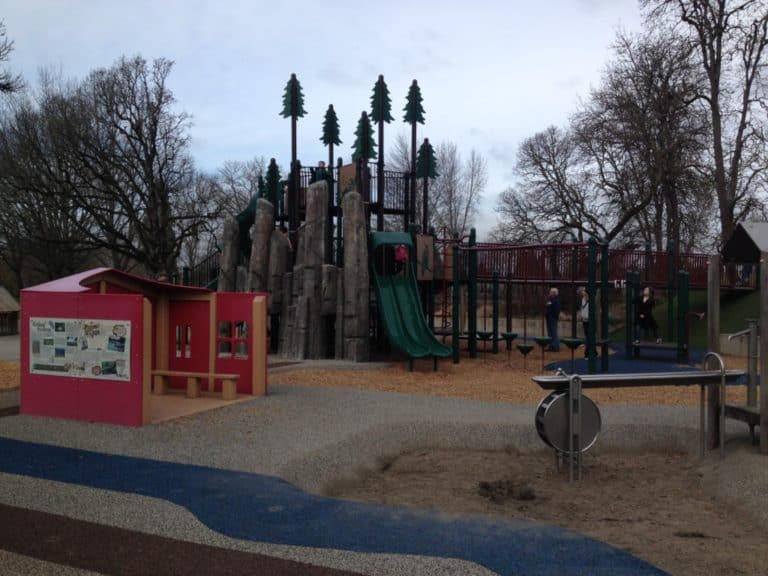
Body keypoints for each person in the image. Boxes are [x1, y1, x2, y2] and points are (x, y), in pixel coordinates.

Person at [545, 287, 561, 352]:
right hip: (548, 317)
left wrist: (555, 316)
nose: (550, 293)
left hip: (553, 318)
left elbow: (557, 310)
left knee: (554, 332)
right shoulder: (550, 300)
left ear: (554, 293)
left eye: (551, 292)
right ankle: (551, 346)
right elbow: (547, 307)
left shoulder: (556, 300)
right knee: (550, 332)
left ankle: (556, 347)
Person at [579, 287, 590, 358]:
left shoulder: (590, 299)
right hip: (585, 319)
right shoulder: (583, 299)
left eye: (583, 291)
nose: (582, 292)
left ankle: (587, 353)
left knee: (589, 336)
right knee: (587, 336)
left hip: (589, 320)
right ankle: (593, 352)